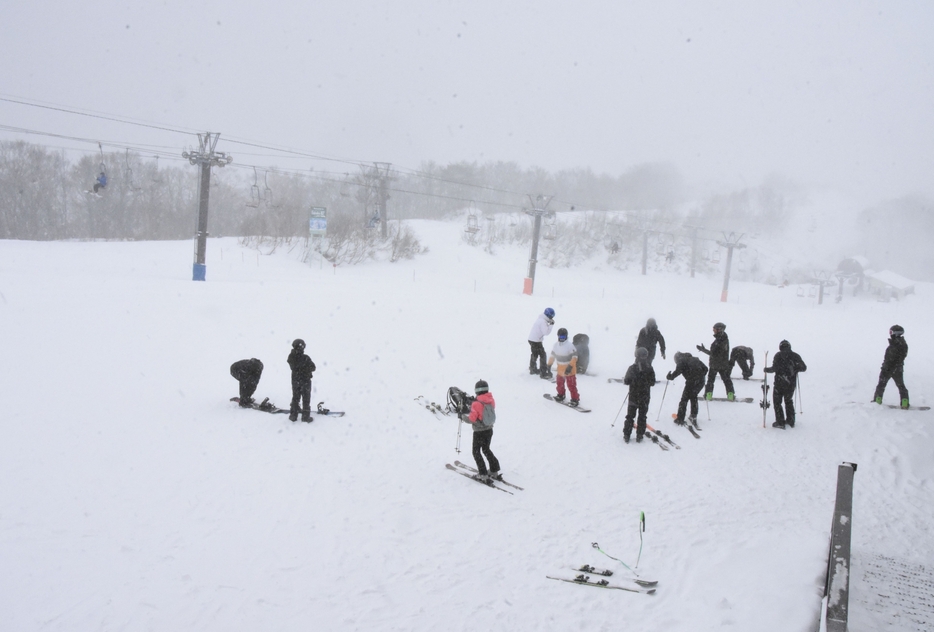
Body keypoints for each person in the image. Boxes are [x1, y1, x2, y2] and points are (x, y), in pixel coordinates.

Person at [461, 379, 501, 482]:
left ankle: (483, 474)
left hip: (479, 432)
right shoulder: (491, 400)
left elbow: (472, 419)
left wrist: (462, 417)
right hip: (489, 430)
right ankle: (494, 470)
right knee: (486, 449)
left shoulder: (476, 403)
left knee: (476, 451)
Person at [763, 340, 807, 428]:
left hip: (779, 383)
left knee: (777, 402)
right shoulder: (795, 356)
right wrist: (796, 368)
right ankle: (791, 421)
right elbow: (804, 368)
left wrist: (767, 369)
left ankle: (780, 422)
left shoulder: (778, 355)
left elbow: (774, 368)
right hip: (790, 383)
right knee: (788, 401)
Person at [622, 347, 656, 443]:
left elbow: (626, 381)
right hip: (645, 396)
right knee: (642, 416)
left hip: (633, 396)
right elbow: (652, 382)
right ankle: (640, 435)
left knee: (630, 416)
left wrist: (634, 381)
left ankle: (627, 435)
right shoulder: (649, 368)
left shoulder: (632, 368)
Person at [666, 351, 707, 427]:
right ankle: (693, 416)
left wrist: (670, 377)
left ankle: (680, 419)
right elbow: (706, 369)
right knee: (693, 396)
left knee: (684, 399)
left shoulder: (681, 361)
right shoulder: (695, 359)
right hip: (701, 381)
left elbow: (677, 372)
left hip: (691, 381)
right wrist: (699, 376)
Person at [873, 325, 909, 408]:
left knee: (881, 385)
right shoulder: (901, 344)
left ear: (896, 333)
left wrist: (887, 367)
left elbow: (892, 358)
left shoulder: (896, 344)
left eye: (891, 332)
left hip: (889, 368)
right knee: (900, 385)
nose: (890, 334)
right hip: (897, 368)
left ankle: (877, 401)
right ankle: (904, 402)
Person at [697, 322, 734, 401]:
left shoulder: (719, 341)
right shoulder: (723, 339)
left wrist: (703, 350)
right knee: (726, 380)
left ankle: (708, 395)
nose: (713, 331)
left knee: (711, 380)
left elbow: (713, 354)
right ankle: (730, 395)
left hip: (715, 365)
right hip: (723, 364)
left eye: (715, 330)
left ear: (719, 330)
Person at [547, 328, 580, 406]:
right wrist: (549, 365)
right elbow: (552, 355)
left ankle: (575, 399)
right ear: (558, 336)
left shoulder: (569, 346)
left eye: (564, 337)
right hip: (560, 370)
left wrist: (570, 366)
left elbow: (575, 357)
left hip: (570, 370)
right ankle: (561, 395)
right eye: (561, 337)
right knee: (559, 384)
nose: (562, 338)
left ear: (566, 336)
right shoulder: (556, 345)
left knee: (571, 385)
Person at [287, 339, 316, 422]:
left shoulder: (291, 357)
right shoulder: (305, 358)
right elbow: (313, 367)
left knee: (296, 398)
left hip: (295, 380)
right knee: (306, 399)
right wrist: (306, 369)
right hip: (305, 381)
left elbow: (293, 366)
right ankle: (305, 417)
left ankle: (293, 415)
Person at [528, 307, 556, 379]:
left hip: (533, 339)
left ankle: (532, 369)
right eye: (551, 316)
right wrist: (551, 325)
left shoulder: (541, 319)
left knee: (535, 354)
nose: (551, 318)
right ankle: (543, 373)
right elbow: (546, 332)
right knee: (543, 355)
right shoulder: (543, 322)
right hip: (536, 341)